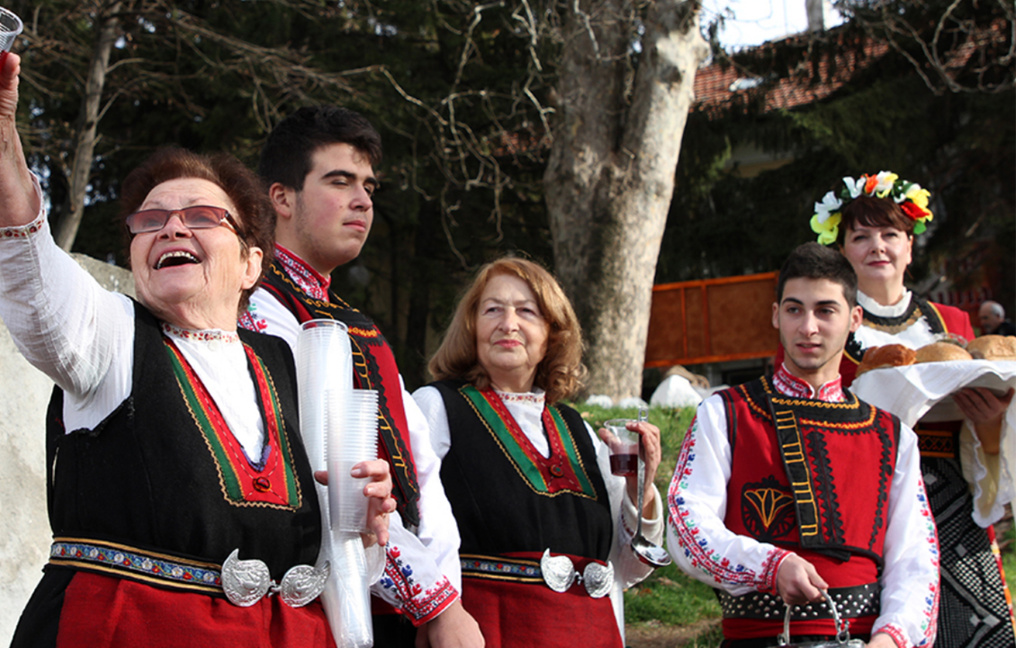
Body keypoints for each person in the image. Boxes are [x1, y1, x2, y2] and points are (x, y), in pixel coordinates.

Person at [0, 19, 397, 648]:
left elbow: (336, 559)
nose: (172, 228)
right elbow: (26, 264)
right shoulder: (107, 338)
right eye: (150, 219)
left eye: (203, 217)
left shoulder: (294, 364)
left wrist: (363, 522)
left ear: (250, 264)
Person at [239, 105, 482, 647]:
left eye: (369, 186)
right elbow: (327, 472)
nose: (363, 200)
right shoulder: (254, 312)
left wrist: (444, 598)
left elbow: (424, 474)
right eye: (339, 181)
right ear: (281, 197)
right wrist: (434, 603)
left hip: (402, 611)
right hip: (314, 607)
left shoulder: (357, 326)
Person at [667, 242, 940, 648]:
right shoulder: (725, 412)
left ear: (855, 319)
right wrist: (768, 565)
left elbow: (916, 558)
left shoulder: (892, 434)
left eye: (825, 311)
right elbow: (686, 524)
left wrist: (891, 639)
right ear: (776, 315)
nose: (808, 327)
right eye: (794, 309)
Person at [809, 172, 1016, 648]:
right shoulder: (819, 329)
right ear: (842, 250)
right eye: (860, 236)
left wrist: (988, 426)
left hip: (956, 504)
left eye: (889, 234)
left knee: (974, 632)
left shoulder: (955, 324)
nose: (876, 246)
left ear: (909, 245)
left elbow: (991, 438)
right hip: (867, 504)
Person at [412, 257, 664, 647]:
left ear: (552, 333)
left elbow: (628, 568)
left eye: (527, 311)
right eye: (492, 309)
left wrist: (640, 491)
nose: (508, 324)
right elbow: (410, 530)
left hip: (591, 634)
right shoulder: (436, 407)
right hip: (491, 631)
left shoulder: (577, 429)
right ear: (471, 326)